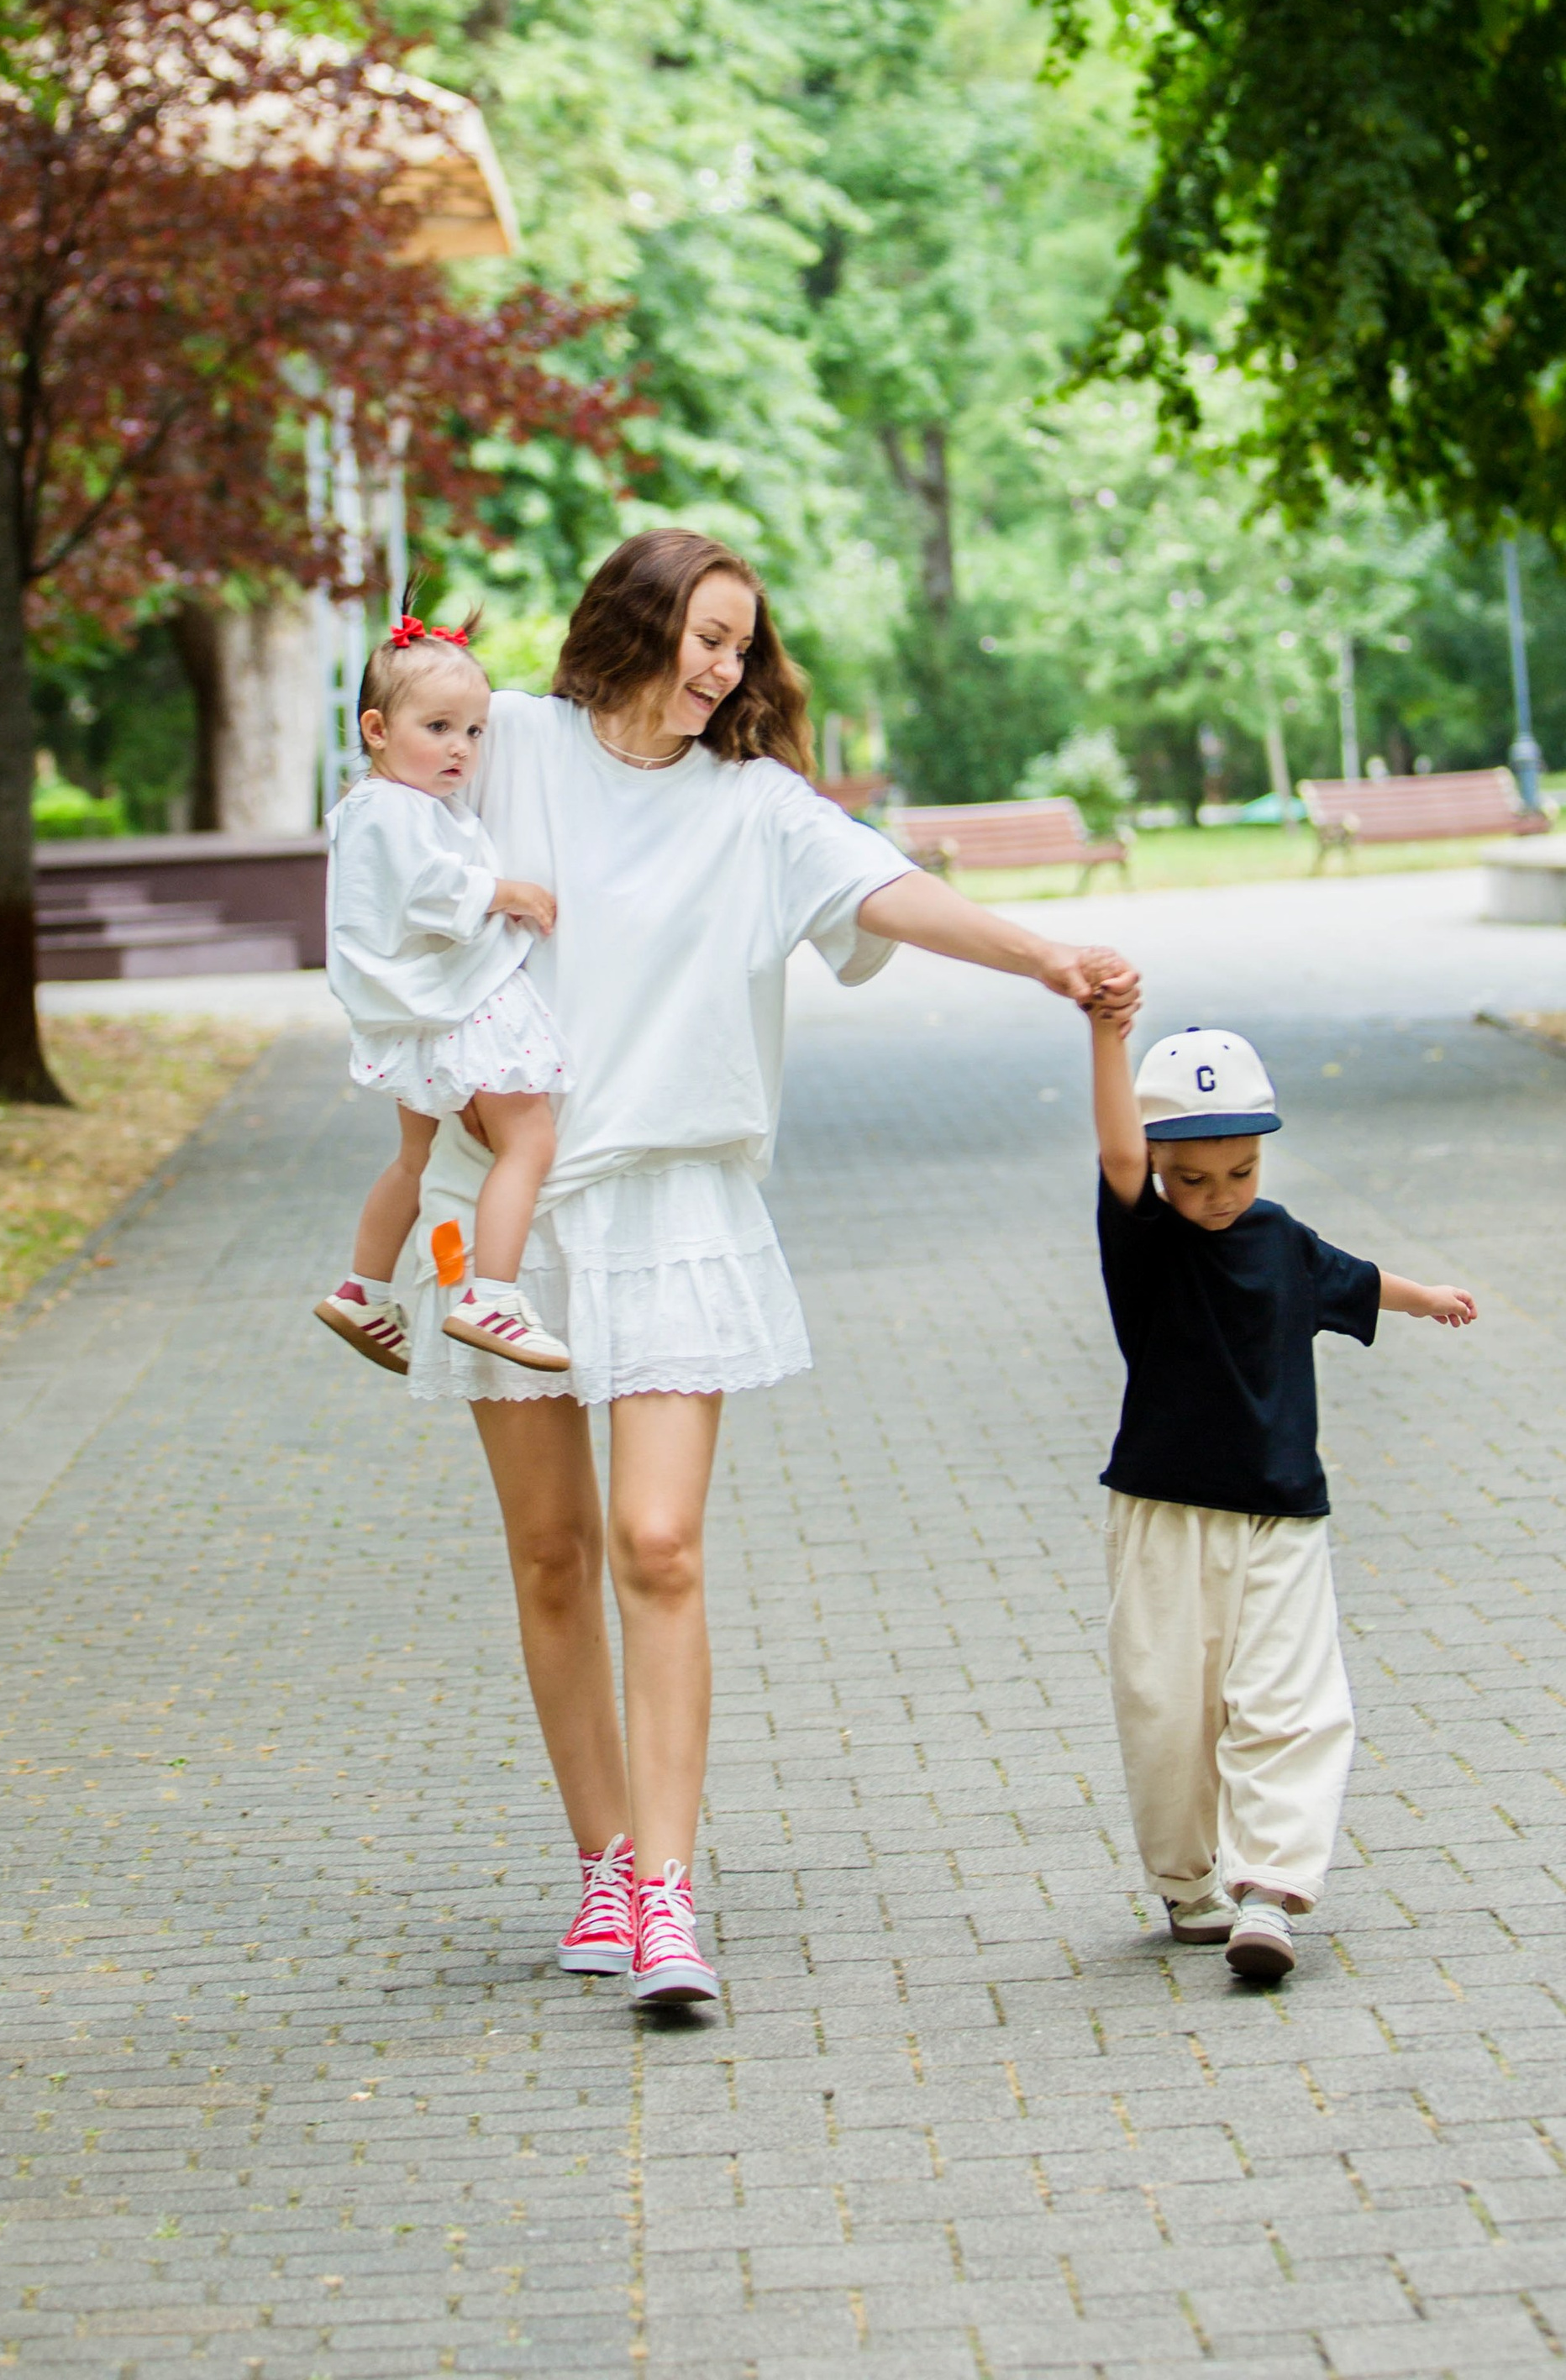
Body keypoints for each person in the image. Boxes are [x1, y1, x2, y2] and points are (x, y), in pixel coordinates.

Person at [399, 528, 1140, 2010]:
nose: (724, 668)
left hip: (677, 1202)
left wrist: (1048, 959)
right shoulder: (514, 745)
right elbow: (387, 821)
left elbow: (893, 893)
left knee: (657, 1542)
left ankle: (669, 1900)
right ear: (635, 622)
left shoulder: (756, 809)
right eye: (705, 636)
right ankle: (605, 1867)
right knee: (550, 1554)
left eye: (741, 646)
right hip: (505, 1206)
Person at [1090, 1010, 1475, 1983]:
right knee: (1167, 1709)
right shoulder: (1145, 1242)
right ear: (1157, 1166)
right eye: (1191, 1178)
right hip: (1165, 1514)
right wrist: (1105, 1034)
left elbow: (1355, 1281)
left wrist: (1426, 1297)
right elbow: (1116, 1153)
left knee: (1290, 1700)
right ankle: (1189, 1886)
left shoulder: (1279, 1240)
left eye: (1240, 1172)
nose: (1219, 1195)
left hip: (1283, 1512)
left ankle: (1268, 1890)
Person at [316, 613, 573, 1379]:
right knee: (528, 1142)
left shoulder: (394, 806)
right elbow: (426, 892)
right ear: (377, 730)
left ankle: (364, 1289)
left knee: (419, 1156)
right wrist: (508, 892)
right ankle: (493, 1295)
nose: (461, 747)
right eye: (438, 727)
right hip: (463, 1003)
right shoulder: (391, 809)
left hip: (420, 1012)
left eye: (473, 731)